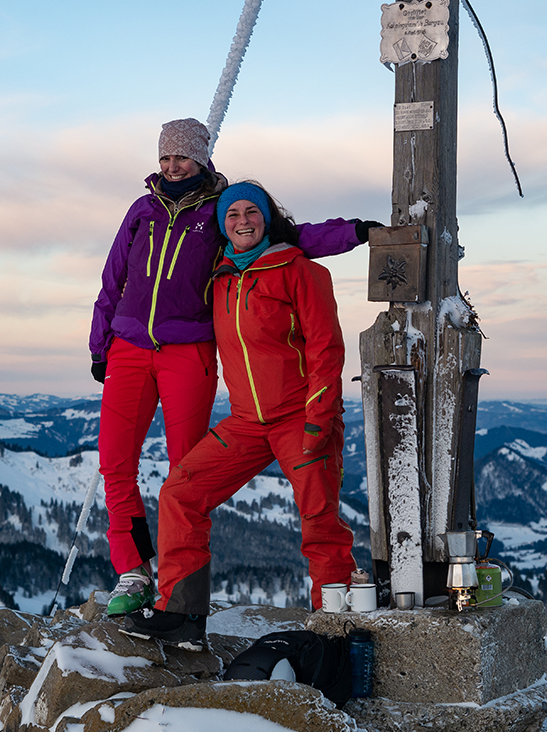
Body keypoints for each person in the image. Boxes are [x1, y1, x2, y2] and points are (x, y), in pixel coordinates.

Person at [90, 118, 379, 616]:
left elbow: (295, 240)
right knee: (138, 472)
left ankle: (331, 621)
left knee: (211, 479)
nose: (171, 165)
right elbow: (113, 276)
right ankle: (152, 588)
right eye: (164, 157)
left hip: (202, 361)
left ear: (201, 158)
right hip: (144, 356)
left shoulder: (232, 228)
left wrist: (354, 232)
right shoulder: (150, 215)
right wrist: (101, 343)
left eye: (181, 156)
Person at [121, 181, 357, 650]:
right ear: (222, 224)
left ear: (267, 218)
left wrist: (320, 418)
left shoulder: (300, 271)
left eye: (252, 212)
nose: (243, 221)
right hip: (246, 421)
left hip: (299, 417)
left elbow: (327, 351)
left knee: (320, 522)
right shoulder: (221, 274)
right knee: (181, 492)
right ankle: (182, 614)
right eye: (232, 214)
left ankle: (335, 633)